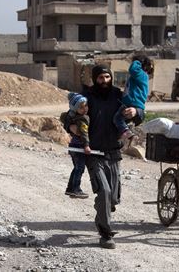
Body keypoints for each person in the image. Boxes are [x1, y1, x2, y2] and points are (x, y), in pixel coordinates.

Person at [78, 64, 136, 249]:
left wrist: (136, 112)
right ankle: (105, 234)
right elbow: (69, 116)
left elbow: (136, 111)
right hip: (93, 153)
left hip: (113, 152)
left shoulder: (119, 95)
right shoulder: (86, 97)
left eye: (107, 77)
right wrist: (71, 126)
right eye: (101, 78)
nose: (104, 81)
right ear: (95, 79)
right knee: (104, 191)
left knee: (113, 198)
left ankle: (102, 208)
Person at [112, 54, 152, 147]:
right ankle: (128, 135)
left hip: (133, 104)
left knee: (117, 118)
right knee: (119, 121)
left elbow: (132, 69)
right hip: (131, 103)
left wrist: (138, 60)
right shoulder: (136, 77)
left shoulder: (141, 74)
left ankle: (128, 134)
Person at [60, 92, 90, 199]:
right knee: (80, 168)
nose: (85, 109)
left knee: (76, 168)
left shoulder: (70, 116)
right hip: (79, 147)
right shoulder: (82, 119)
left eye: (85, 105)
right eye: (81, 107)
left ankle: (70, 188)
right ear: (75, 109)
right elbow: (84, 133)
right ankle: (76, 189)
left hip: (73, 146)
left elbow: (64, 116)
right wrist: (86, 145)